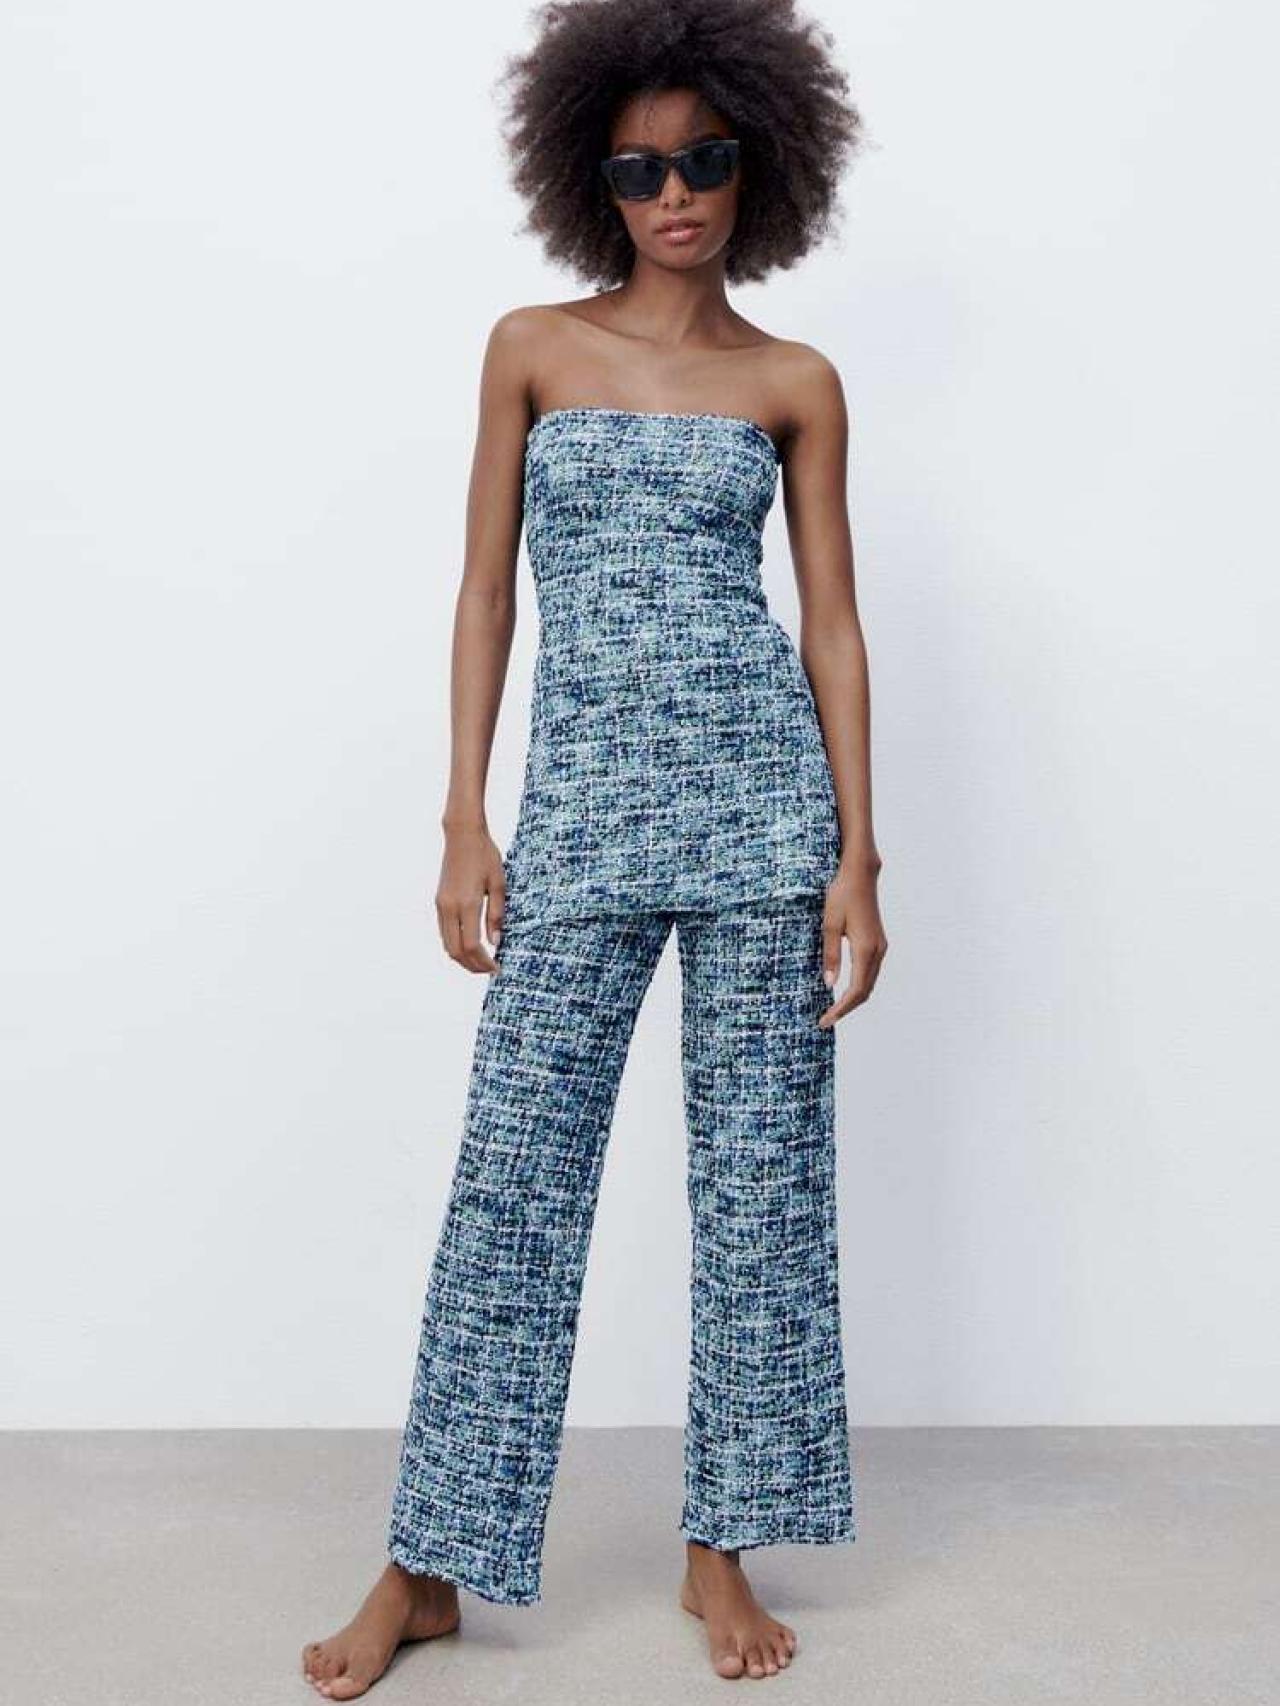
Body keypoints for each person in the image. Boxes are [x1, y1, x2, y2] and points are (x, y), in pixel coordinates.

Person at [302, 0, 885, 1694]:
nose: (673, 195)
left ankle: (723, 1547)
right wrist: (462, 812)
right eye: (638, 170)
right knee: (515, 1186)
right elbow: (485, 590)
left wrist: (859, 855)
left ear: (759, 166)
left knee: (763, 1194)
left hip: (765, 818)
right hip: (577, 821)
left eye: (703, 160)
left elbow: (830, 627)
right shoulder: (531, 349)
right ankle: (425, 1564)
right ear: (593, 182)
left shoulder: (793, 383)